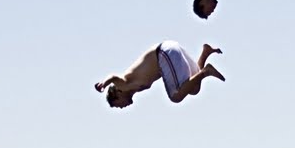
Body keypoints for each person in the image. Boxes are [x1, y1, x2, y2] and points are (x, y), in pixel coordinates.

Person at [93, 42, 224, 107]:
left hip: (163, 54)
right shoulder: (132, 88)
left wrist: (103, 84)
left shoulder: (123, 84)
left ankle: (206, 72)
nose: (122, 107)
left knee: (176, 97)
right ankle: (205, 53)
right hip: (169, 50)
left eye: (118, 105)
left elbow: (113, 77)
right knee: (194, 89)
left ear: (117, 94)